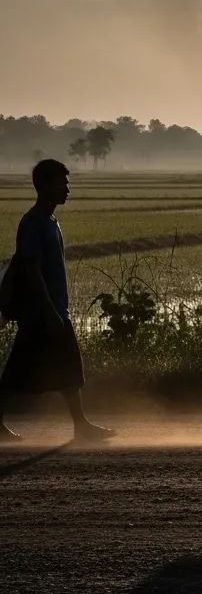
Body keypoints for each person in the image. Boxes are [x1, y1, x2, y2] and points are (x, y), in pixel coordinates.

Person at [0, 160, 113, 442]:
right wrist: (49, 311)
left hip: (53, 310)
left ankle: (81, 424)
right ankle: (81, 425)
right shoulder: (33, 223)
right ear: (44, 186)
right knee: (18, 374)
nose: (67, 189)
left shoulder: (50, 221)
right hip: (41, 312)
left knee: (68, 368)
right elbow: (32, 269)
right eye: (61, 183)